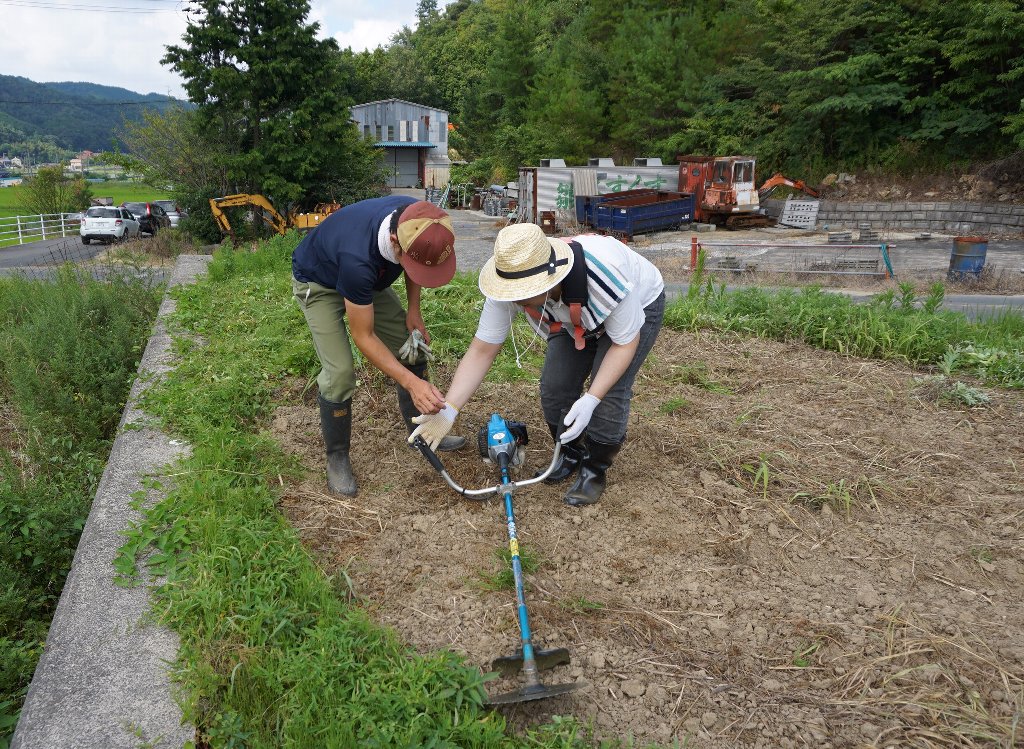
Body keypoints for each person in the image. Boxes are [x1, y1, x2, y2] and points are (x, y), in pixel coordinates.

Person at [409, 222, 665, 506]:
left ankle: (594, 469)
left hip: (636, 304)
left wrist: (592, 398)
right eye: (511, 292)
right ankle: (570, 453)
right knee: (555, 387)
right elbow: (482, 350)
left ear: (551, 279)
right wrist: (450, 410)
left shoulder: (602, 276)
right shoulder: (508, 284)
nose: (515, 300)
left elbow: (624, 343)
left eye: (523, 292)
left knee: (609, 394)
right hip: (569, 315)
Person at [292, 196, 466, 498]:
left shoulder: (419, 218)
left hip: (369, 280)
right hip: (320, 282)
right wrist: (412, 383)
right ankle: (337, 457)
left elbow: (418, 264)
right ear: (394, 242)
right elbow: (364, 337)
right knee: (340, 374)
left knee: (410, 346)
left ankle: (419, 432)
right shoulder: (358, 258)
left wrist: (414, 310)